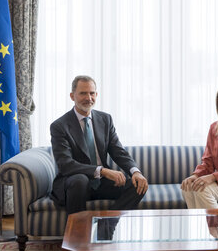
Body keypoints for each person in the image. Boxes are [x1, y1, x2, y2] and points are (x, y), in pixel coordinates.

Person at [50, 75, 148, 214]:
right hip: (75, 183)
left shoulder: (105, 119)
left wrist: (136, 172)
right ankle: (77, 233)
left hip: (101, 183)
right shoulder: (60, 126)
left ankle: (106, 225)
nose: (88, 98)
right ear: (72, 96)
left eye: (92, 93)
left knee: (138, 185)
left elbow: (118, 151)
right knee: (80, 180)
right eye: (83, 93)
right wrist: (102, 170)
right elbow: (66, 164)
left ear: (96, 94)